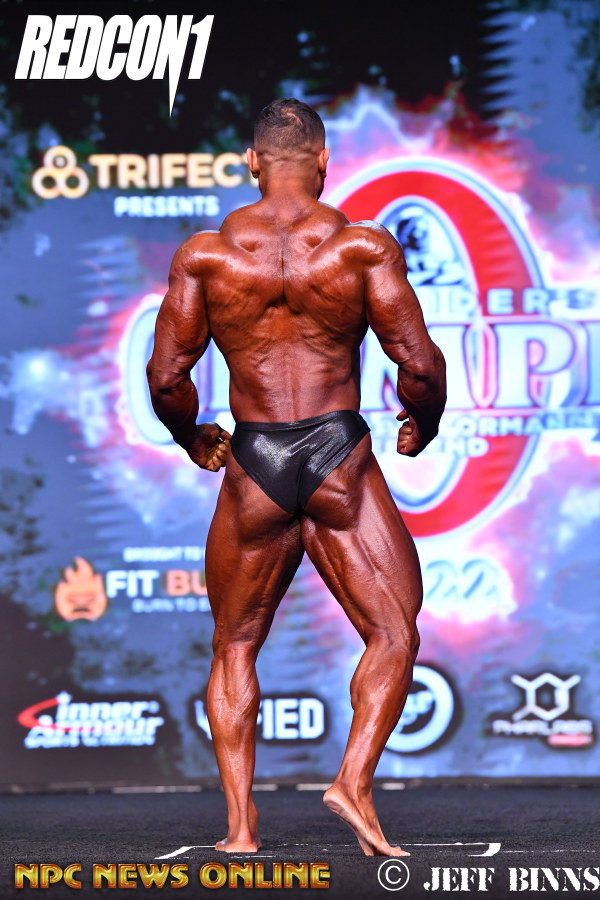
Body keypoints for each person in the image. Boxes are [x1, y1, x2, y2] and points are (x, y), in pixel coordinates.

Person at [146, 98, 446, 857]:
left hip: (255, 460)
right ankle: (352, 783)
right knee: (393, 631)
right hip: (337, 453)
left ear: (252, 163)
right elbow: (419, 365)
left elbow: (167, 377)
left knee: (234, 645)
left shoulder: (206, 257)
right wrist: (424, 421)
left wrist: (191, 435)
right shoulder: (361, 249)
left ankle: (241, 829)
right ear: (323, 163)